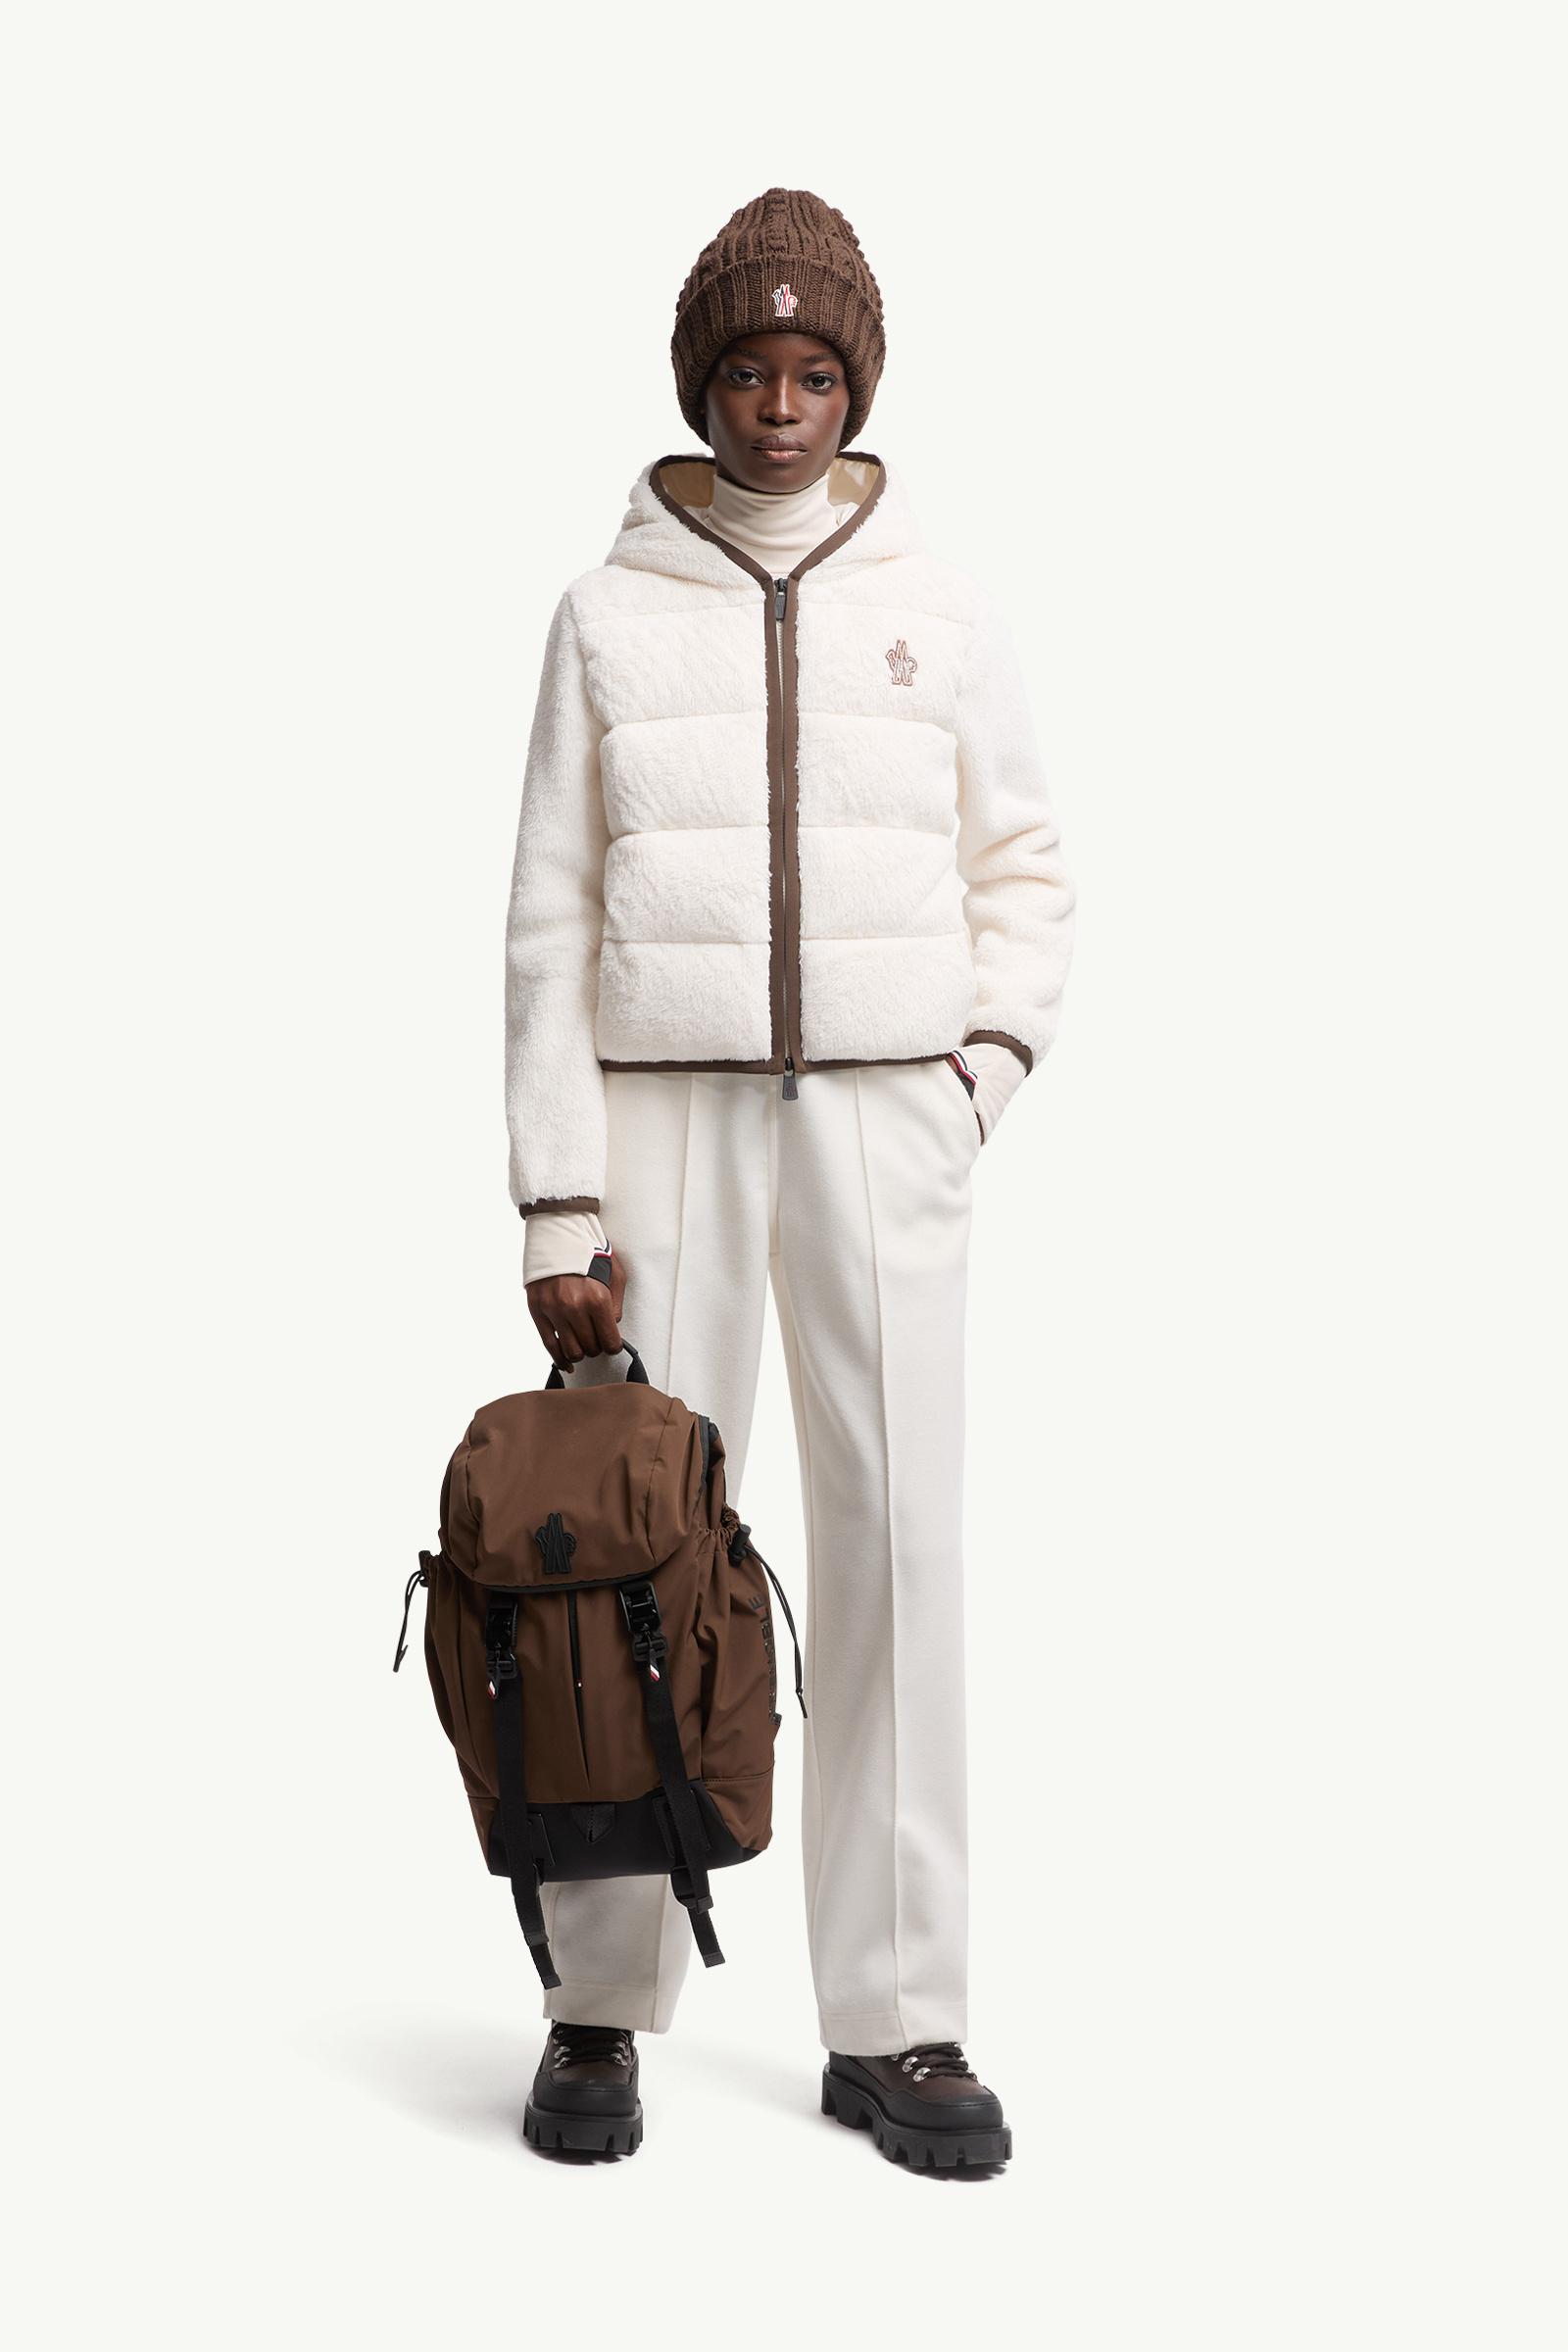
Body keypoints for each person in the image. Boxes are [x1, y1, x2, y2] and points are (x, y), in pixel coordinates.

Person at [505, 186, 1075, 2167]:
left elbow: (1023, 861)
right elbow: (546, 916)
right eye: (744, 371)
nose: (776, 406)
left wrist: (976, 1071)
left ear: (856, 388)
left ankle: (898, 2019)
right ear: (699, 387)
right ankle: (597, 2005)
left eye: (812, 372)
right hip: (657, 1121)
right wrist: (557, 1201)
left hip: (879, 1121)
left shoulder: (939, 605)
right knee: (626, 1557)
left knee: (897, 1543)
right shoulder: (605, 615)